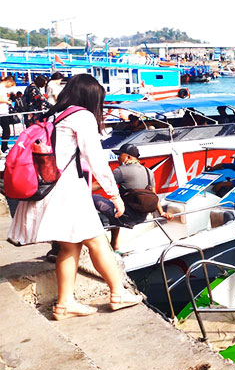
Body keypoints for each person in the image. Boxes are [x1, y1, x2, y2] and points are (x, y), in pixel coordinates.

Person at [8, 74, 143, 320]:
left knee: (70, 248)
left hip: (54, 190)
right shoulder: (82, 117)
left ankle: (65, 303)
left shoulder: (54, 114)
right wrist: (115, 195)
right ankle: (117, 293)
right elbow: (97, 159)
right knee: (98, 242)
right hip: (69, 193)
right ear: (91, 97)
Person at [92, 143, 172, 252]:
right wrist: (162, 213)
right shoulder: (149, 172)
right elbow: (154, 195)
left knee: (94, 197)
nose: (118, 158)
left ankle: (90, 235)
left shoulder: (120, 171)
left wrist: (79, 189)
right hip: (142, 217)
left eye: (120, 155)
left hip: (126, 218)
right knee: (116, 204)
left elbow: (99, 184)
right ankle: (114, 244)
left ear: (128, 157)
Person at [0, 76, 17, 154]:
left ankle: (4, 147)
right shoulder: (1, 87)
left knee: (6, 130)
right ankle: (4, 147)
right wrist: (7, 102)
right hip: (2, 112)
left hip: (3, 111)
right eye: (11, 84)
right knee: (6, 130)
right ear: (9, 82)